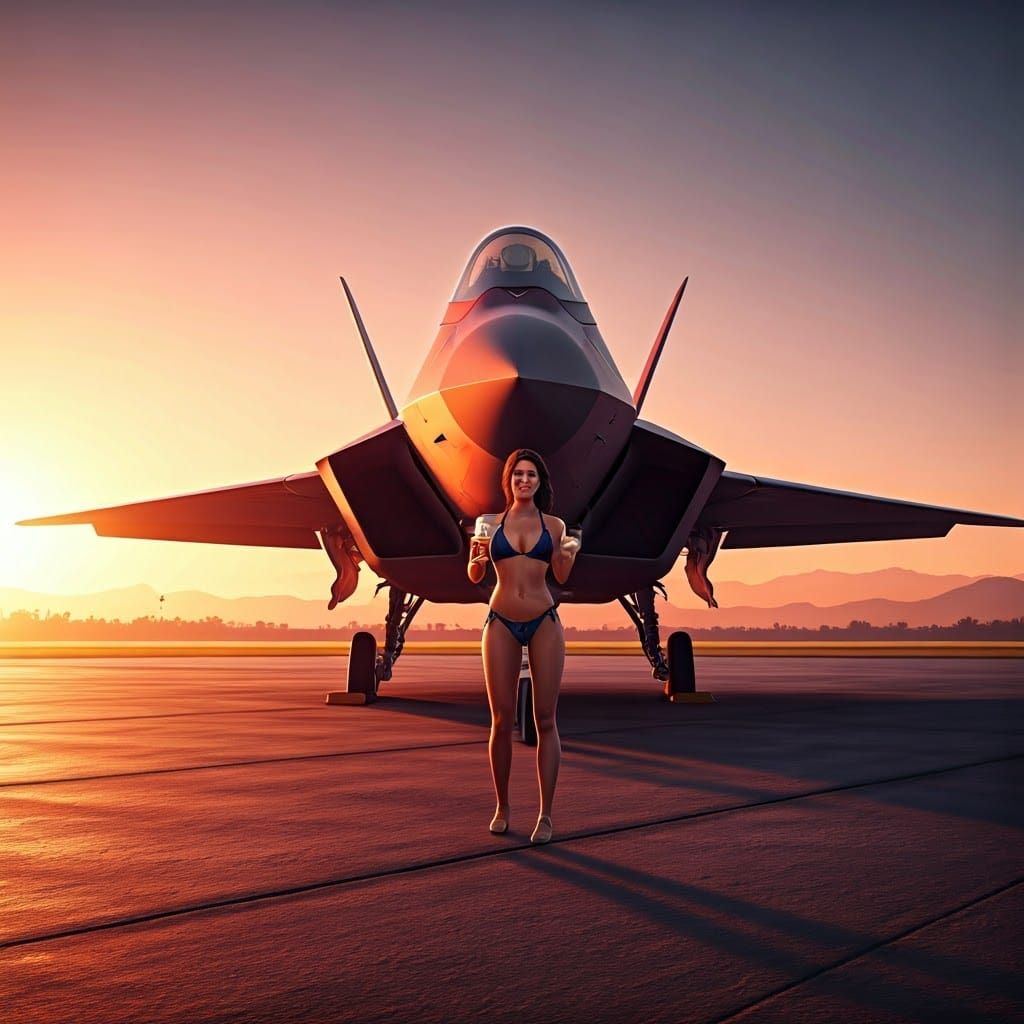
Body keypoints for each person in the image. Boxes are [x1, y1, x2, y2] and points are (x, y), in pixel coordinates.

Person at [467, 448, 581, 844]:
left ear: (539, 481)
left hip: (543, 619)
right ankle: (502, 807)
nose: (524, 480)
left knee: (545, 719)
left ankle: (545, 816)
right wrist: (477, 558)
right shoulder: (489, 523)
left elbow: (561, 576)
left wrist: (568, 553)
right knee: (500, 720)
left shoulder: (554, 525)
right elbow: (474, 574)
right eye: (518, 474)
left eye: (531, 474)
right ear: (509, 480)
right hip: (499, 619)